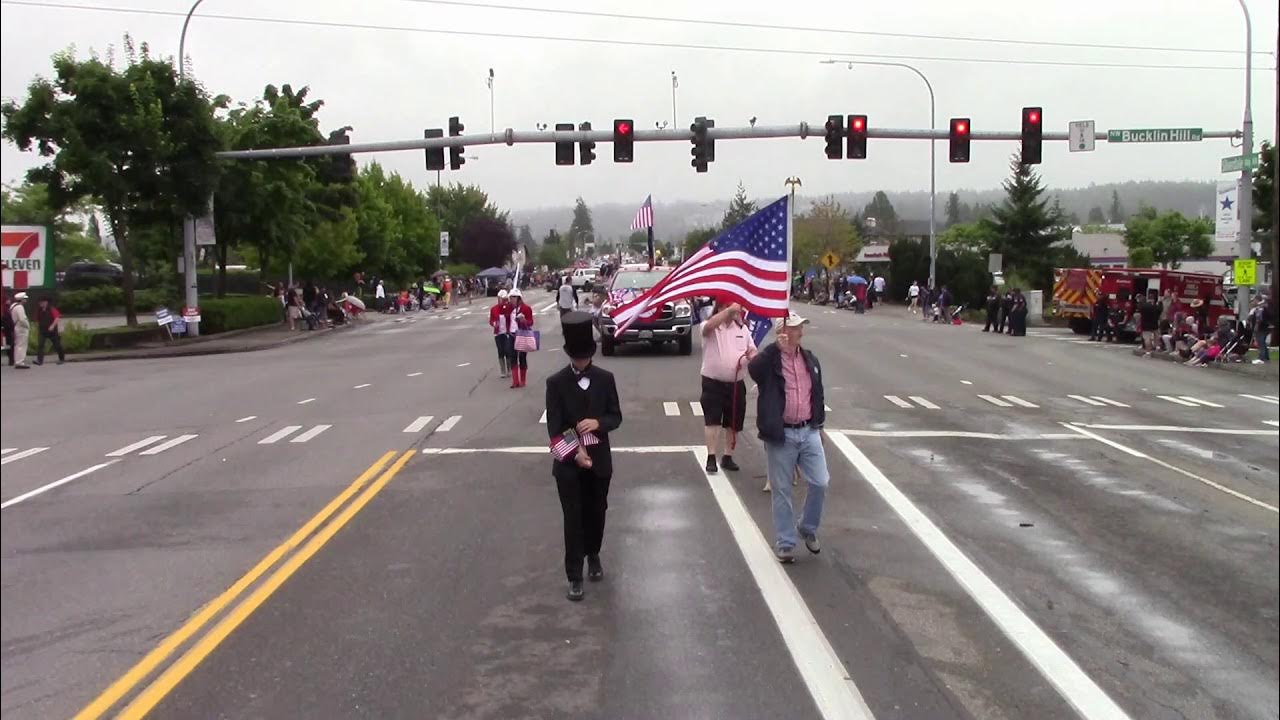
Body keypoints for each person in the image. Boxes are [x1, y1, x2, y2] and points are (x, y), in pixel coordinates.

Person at [545, 311, 623, 601]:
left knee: (597, 511)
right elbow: (554, 426)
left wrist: (599, 423)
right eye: (576, 358)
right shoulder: (556, 383)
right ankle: (574, 575)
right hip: (569, 463)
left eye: (585, 357)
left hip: (599, 460)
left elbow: (616, 416)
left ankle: (594, 553)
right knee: (573, 517)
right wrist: (574, 452)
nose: (581, 362)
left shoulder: (605, 379)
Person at [748, 312, 829, 564]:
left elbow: (817, 392)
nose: (800, 332)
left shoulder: (810, 359)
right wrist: (774, 349)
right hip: (781, 433)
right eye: (795, 328)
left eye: (801, 327)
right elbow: (754, 371)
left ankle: (807, 526)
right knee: (781, 489)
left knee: (820, 481)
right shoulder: (770, 360)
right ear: (782, 331)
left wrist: (820, 425)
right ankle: (785, 542)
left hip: (808, 430)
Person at [699, 301, 758, 474]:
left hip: (736, 383)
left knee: (733, 421)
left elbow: (752, 350)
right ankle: (711, 456)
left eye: (734, 308)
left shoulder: (742, 329)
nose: (732, 312)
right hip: (713, 381)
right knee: (713, 420)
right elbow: (707, 327)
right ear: (719, 308)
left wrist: (750, 357)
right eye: (726, 307)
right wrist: (728, 311)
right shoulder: (710, 327)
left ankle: (728, 455)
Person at [507, 288, 534, 389]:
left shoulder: (526, 308)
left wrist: (524, 320)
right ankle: (515, 381)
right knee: (512, 357)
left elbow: (531, 322)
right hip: (512, 334)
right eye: (511, 297)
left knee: (522, 357)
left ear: (519, 298)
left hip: (522, 334)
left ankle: (523, 380)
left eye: (514, 297)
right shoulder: (509, 308)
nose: (512, 299)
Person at [34, 297, 65, 365]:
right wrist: (37, 327)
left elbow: (57, 318)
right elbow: (37, 320)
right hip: (42, 330)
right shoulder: (39, 310)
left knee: (57, 345)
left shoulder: (51, 309)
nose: (40, 304)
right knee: (40, 345)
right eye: (40, 302)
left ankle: (62, 359)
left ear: (46, 302)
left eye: (42, 302)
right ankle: (39, 361)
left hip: (52, 331)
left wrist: (52, 326)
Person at [489, 289, 512, 379]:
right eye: (501, 299)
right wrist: (494, 323)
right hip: (498, 333)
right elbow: (491, 320)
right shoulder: (494, 309)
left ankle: (509, 368)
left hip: (507, 332)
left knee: (507, 350)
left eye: (504, 299)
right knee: (500, 351)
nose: (502, 301)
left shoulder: (509, 307)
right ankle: (503, 370)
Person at [10, 291, 31, 369]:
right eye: (24, 299)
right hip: (21, 328)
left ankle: (17, 361)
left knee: (18, 345)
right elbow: (22, 319)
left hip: (17, 327)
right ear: (21, 299)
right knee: (22, 345)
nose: (26, 300)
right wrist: (27, 326)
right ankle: (20, 362)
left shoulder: (13, 306)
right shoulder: (20, 307)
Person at [2, 289, 14, 366]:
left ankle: (11, 359)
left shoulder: (6, 309)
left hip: (5, 329)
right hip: (8, 329)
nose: (10, 301)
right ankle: (11, 360)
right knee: (10, 345)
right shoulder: (6, 309)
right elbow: (8, 320)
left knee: (8, 345)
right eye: (8, 300)